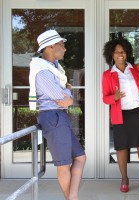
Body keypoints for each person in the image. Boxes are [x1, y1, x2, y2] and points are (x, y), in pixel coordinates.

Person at [29, 30, 86, 200]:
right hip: (53, 117)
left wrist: (67, 93)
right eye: (62, 45)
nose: (65, 48)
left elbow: (67, 96)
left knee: (80, 157)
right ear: (51, 47)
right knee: (64, 165)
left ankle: (72, 196)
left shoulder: (53, 69)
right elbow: (65, 99)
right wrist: (67, 92)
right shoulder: (43, 72)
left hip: (59, 116)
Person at [102, 38, 139, 194]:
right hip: (120, 115)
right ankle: (124, 178)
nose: (121, 54)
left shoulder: (138, 69)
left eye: (123, 51)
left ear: (127, 53)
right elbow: (105, 98)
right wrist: (114, 97)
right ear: (112, 55)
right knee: (121, 148)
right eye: (117, 52)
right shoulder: (108, 75)